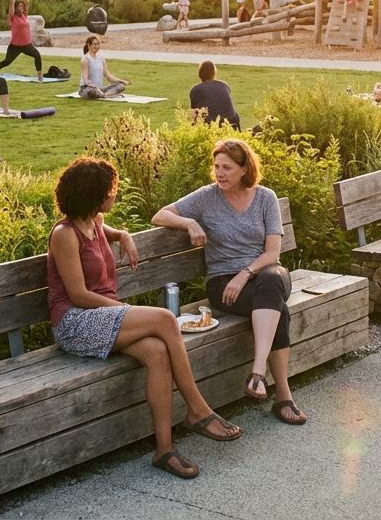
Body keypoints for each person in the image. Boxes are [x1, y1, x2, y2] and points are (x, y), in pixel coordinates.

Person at [47, 157, 241, 480]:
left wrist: (122, 234)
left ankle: (164, 450)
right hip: (76, 323)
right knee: (166, 320)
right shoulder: (64, 234)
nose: (114, 196)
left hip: (103, 318)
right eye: (111, 191)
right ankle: (197, 410)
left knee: (157, 351)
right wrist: (122, 310)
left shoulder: (93, 221)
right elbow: (78, 296)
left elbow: (108, 231)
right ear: (94, 195)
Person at [153, 140, 308, 424]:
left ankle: (258, 372)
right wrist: (189, 223)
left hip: (263, 275)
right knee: (277, 309)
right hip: (223, 284)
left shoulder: (265, 198)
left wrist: (245, 273)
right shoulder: (207, 197)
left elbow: (272, 253)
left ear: (244, 168)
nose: (219, 173)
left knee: (271, 282)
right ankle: (283, 396)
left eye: (227, 167)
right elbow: (159, 215)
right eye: (216, 167)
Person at [0, 0, 43, 82]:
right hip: (15, 46)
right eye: (20, 6)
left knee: (37, 55)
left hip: (27, 45)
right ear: (16, 8)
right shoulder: (12, 17)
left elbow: (27, 0)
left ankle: (40, 78)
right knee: (7, 62)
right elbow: (11, 2)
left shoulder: (25, 15)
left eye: (22, 6)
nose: (22, 7)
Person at [189, 60, 240, 130]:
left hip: (210, 124)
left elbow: (194, 111)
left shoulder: (195, 90)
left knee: (194, 116)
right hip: (231, 121)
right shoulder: (224, 85)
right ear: (214, 72)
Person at [78, 35, 128, 99]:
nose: (97, 46)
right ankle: (109, 95)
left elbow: (108, 76)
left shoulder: (101, 59)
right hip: (87, 89)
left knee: (121, 86)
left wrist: (121, 81)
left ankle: (104, 95)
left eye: (98, 44)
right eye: (95, 44)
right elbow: (85, 77)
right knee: (93, 91)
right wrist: (88, 83)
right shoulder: (85, 59)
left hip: (100, 88)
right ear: (89, 45)